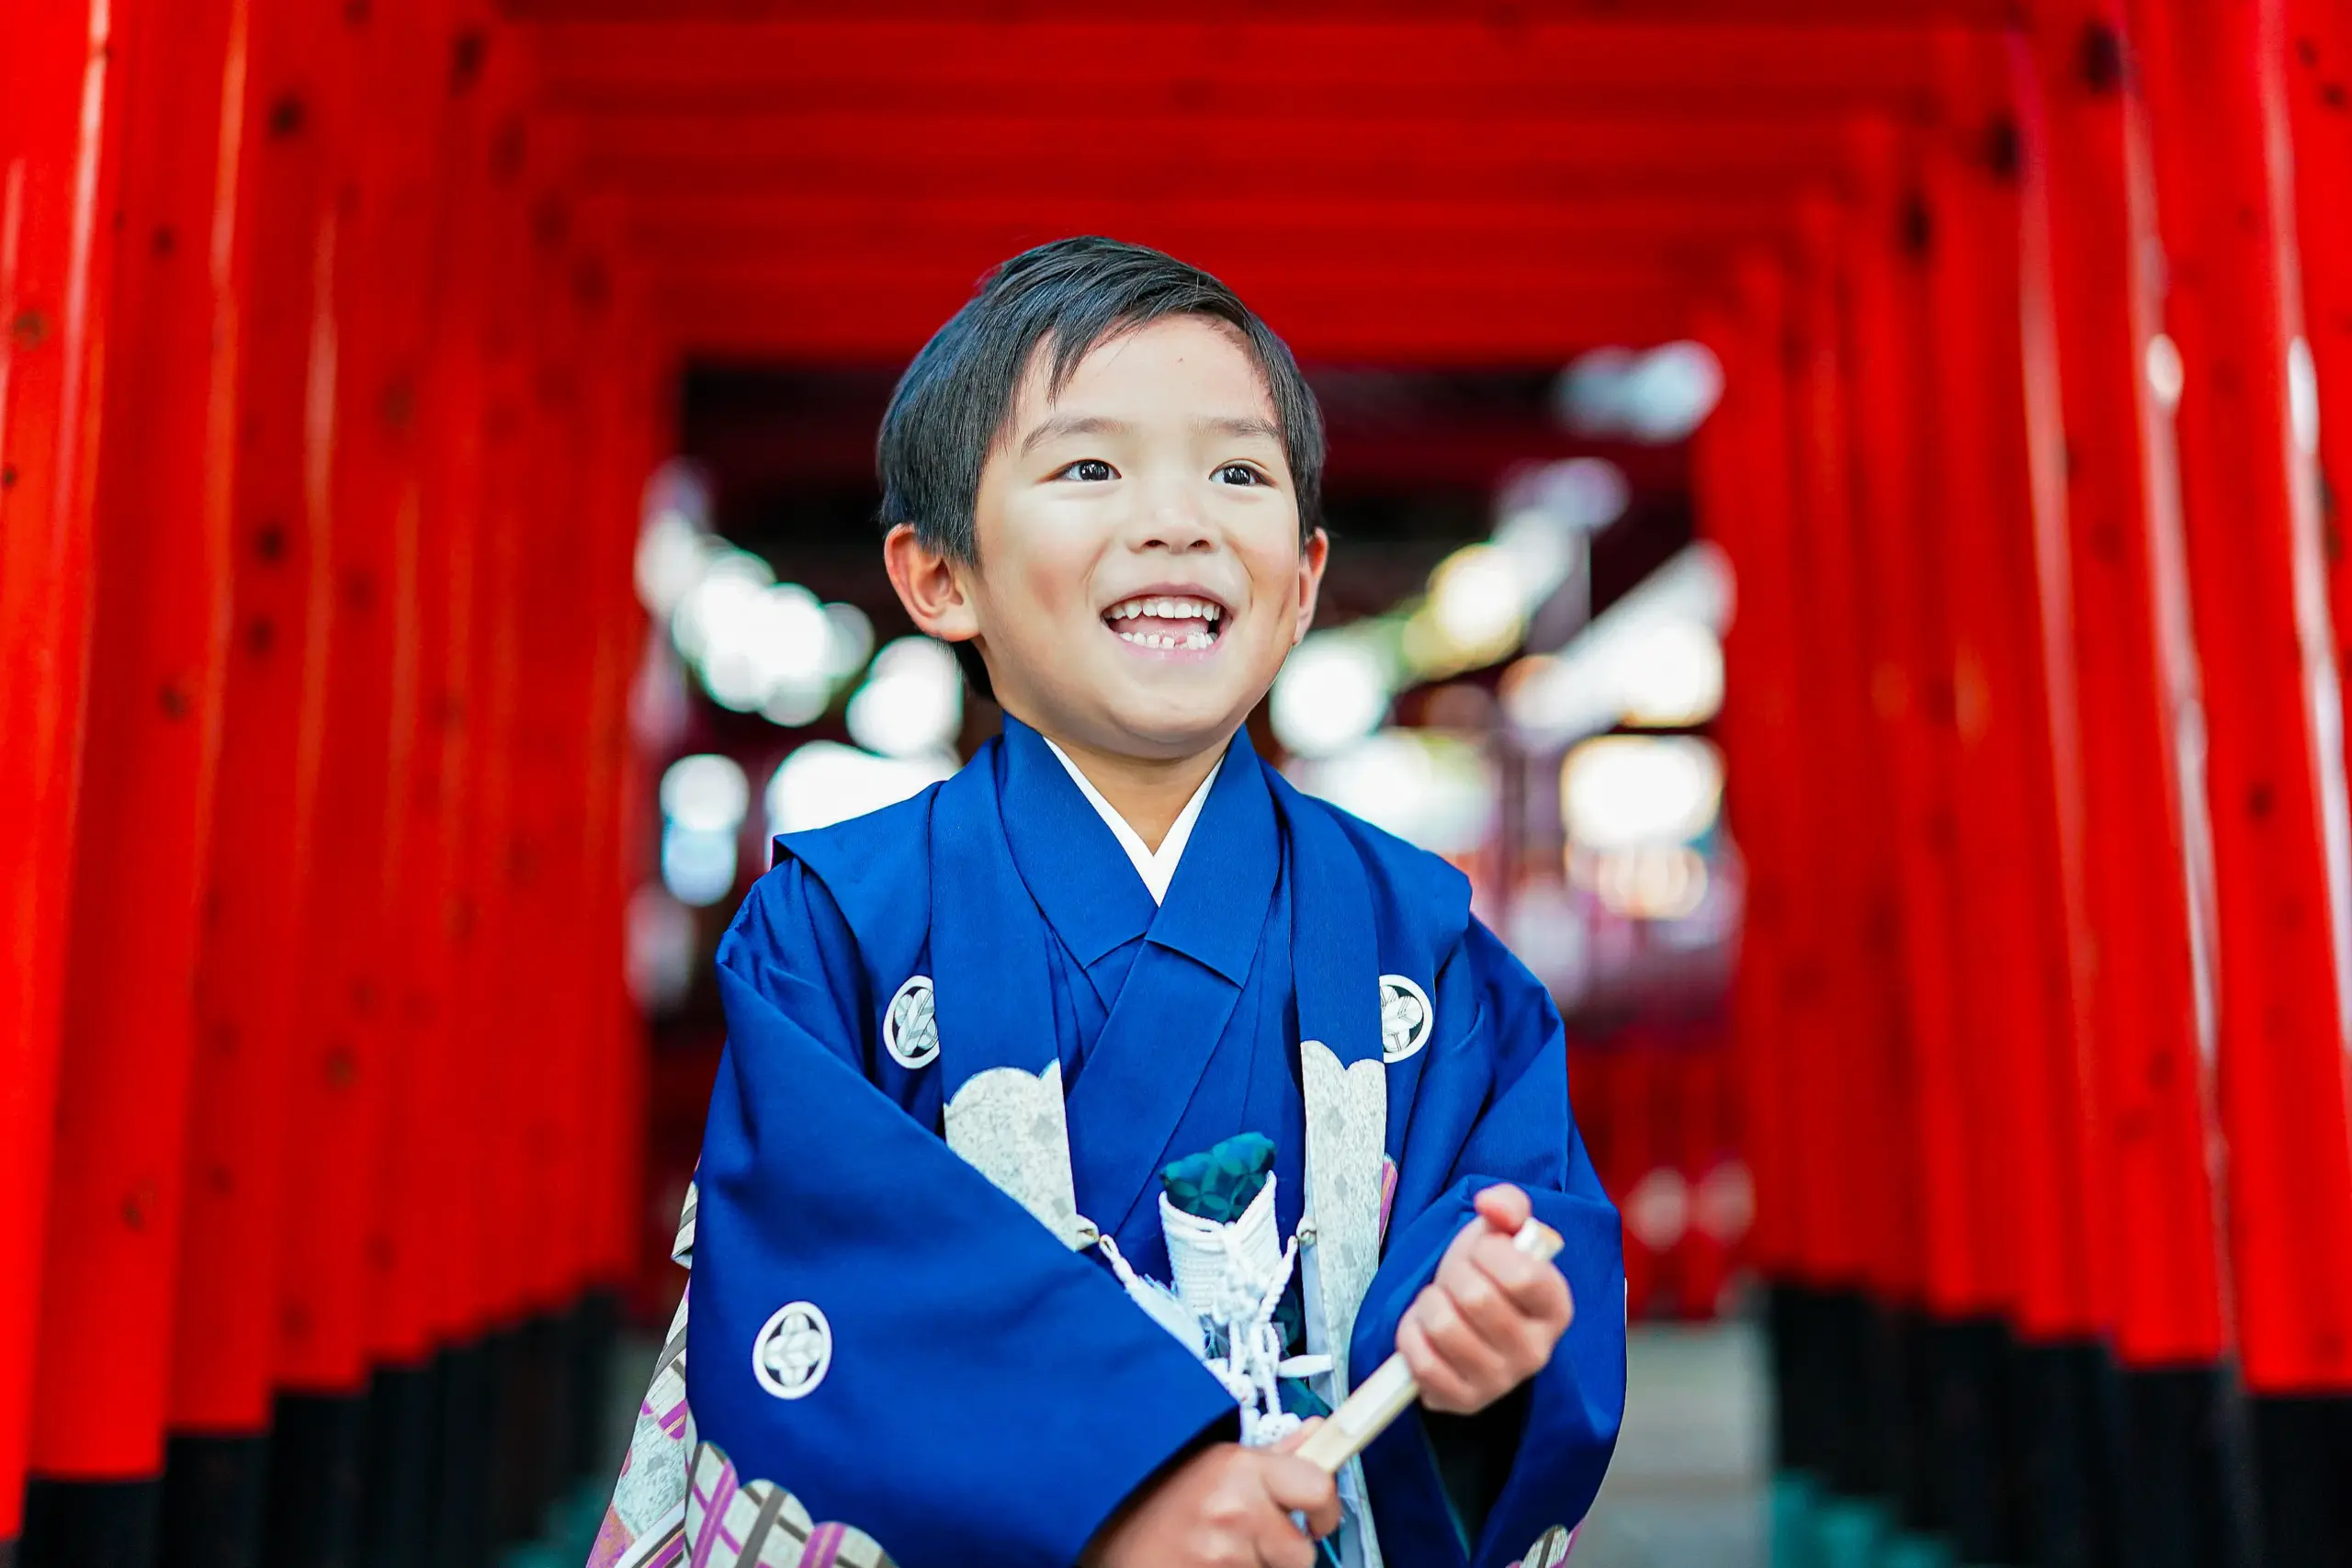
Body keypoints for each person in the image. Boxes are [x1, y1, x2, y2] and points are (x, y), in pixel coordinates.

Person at [590, 237, 1623, 1568]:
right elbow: (823, 1267)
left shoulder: (1422, 938)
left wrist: (1487, 1334)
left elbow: (1520, 1216)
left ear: (1302, 580)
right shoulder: (836, 926)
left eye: (1237, 472)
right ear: (938, 576)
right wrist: (1117, 1489)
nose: (1177, 518)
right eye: (1090, 467)